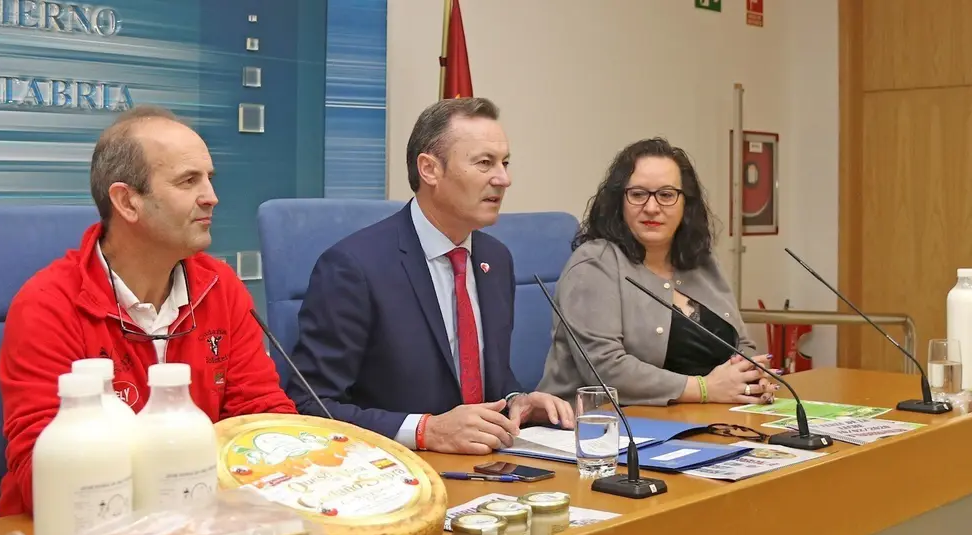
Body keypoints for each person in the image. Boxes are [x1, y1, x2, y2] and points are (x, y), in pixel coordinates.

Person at [0, 105, 296, 516]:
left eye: (209, 179)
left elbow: (265, 424)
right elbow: (46, 477)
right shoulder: (47, 305)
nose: (211, 197)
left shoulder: (220, 287)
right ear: (127, 202)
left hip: (204, 521)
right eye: (188, 181)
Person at [288, 97, 573, 455]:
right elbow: (308, 405)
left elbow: (487, 375)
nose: (504, 179)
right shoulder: (354, 267)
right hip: (397, 472)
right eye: (485, 163)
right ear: (429, 169)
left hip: (489, 468)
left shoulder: (495, 259)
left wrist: (516, 400)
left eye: (504, 163)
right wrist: (425, 430)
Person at [536, 138, 777, 406]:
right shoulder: (594, 263)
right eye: (638, 194)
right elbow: (605, 369)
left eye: (666, 195)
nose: (652, 207)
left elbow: (741, 343)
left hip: (699, 419)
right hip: (605, 429)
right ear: (619, 201)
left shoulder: (701, 261)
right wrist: (704, 389)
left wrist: (751, 379)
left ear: (686, 203)